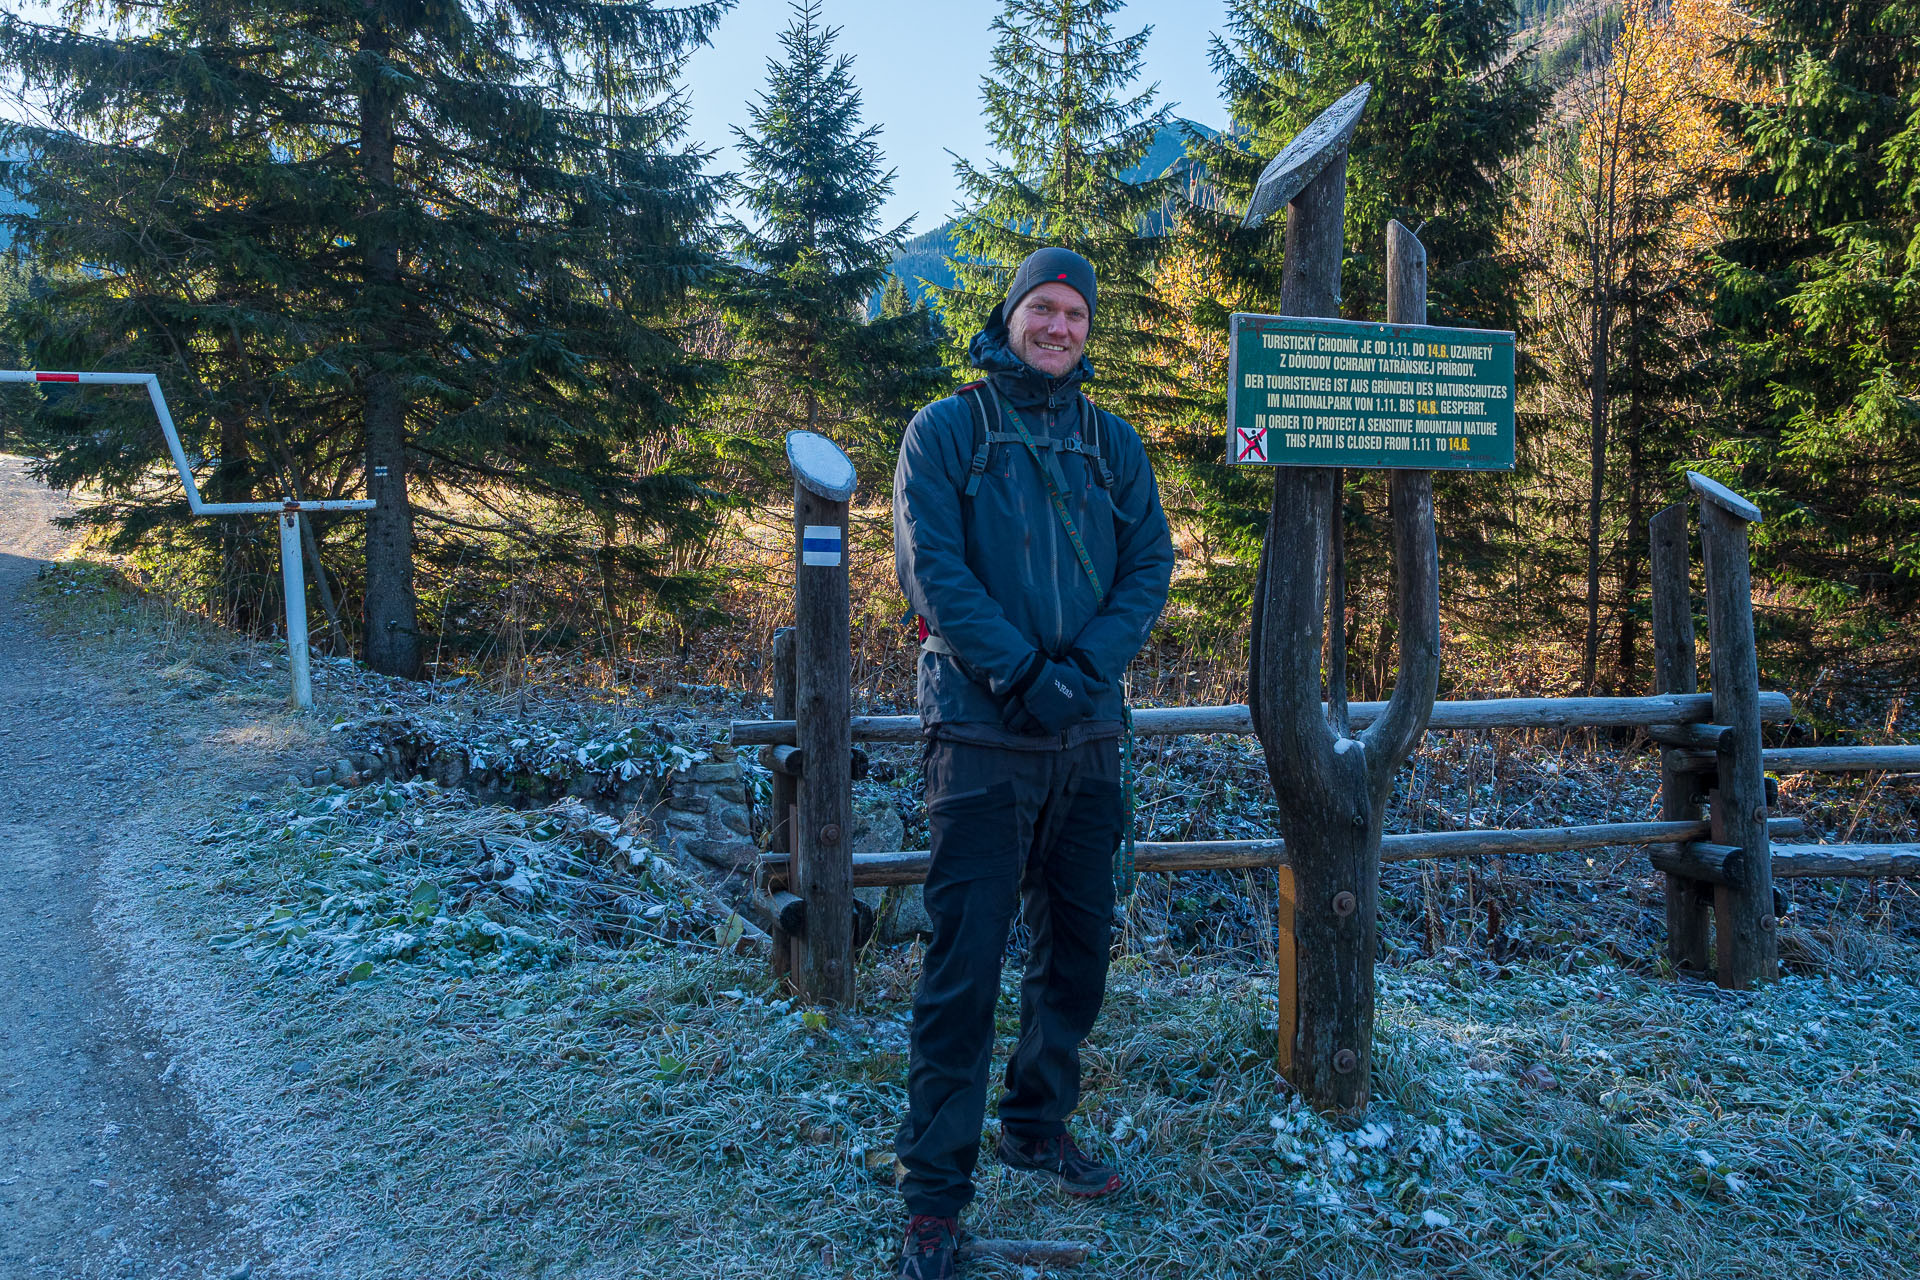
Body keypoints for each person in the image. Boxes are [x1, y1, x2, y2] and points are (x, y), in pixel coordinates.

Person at [890, 247, 1175, 1279]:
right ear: (1010, 316)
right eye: (1043, 310)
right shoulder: (947, 431)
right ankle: (933, 1195)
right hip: (977, 731)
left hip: (1089, 736)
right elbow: (935, 565)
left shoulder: (1112, 445)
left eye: (1076, 316)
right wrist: (1022, 675)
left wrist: (1083, 672)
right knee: (963, 965)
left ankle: (1037, 1121)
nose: (1059, 328)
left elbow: (1152, 563)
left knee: (1080, 948)